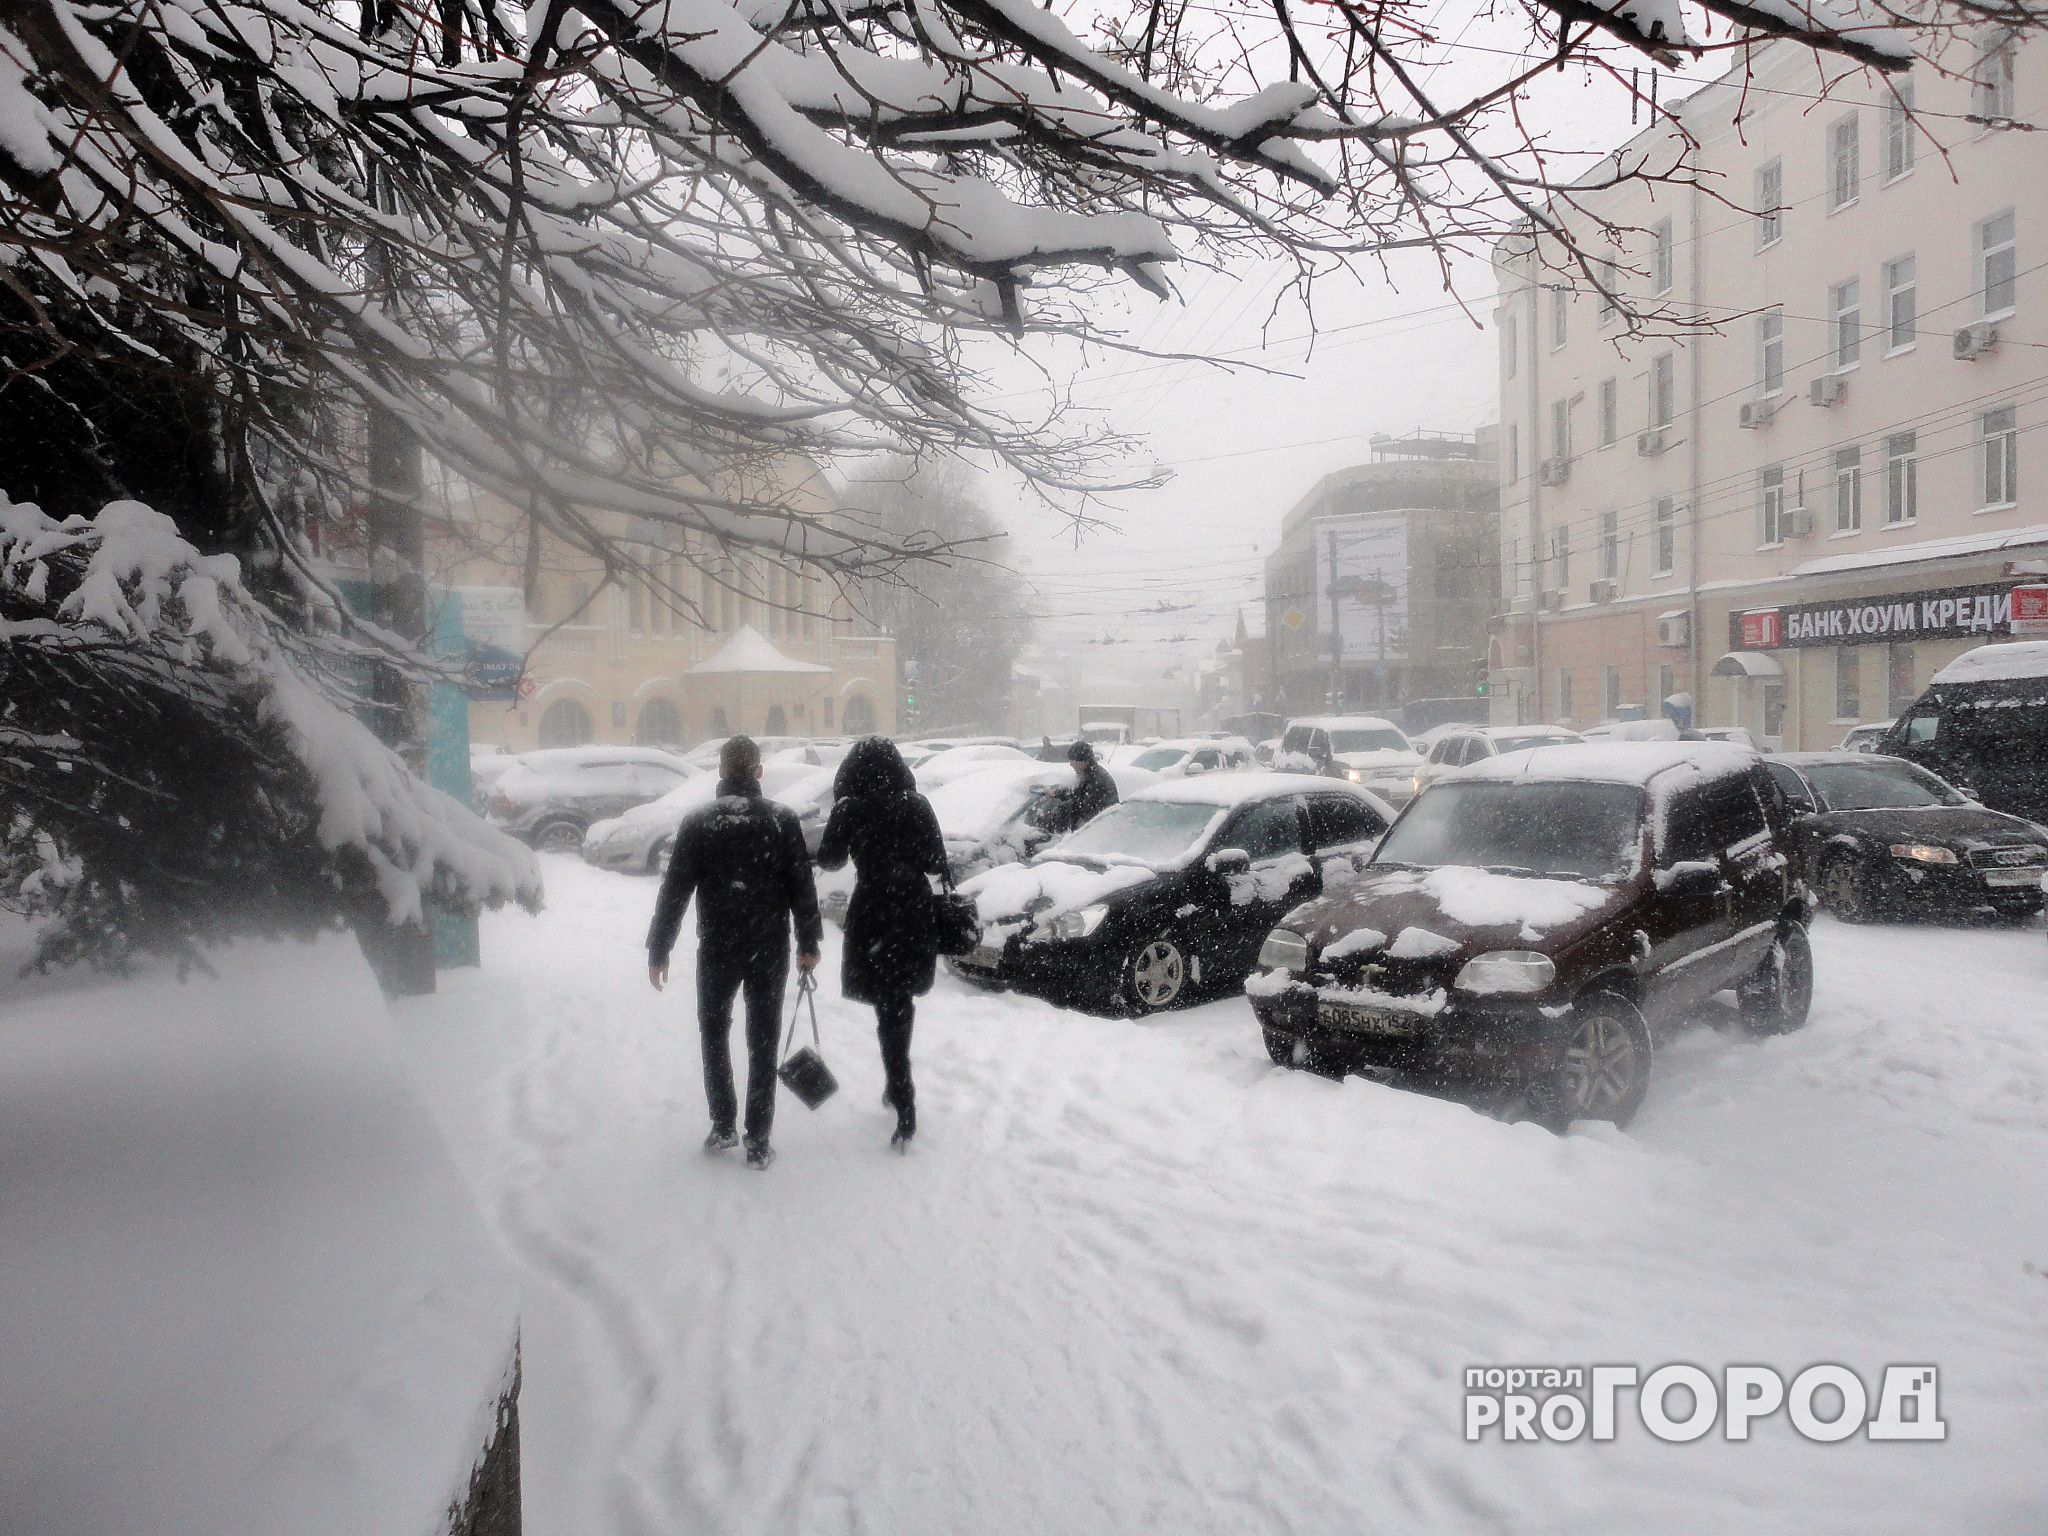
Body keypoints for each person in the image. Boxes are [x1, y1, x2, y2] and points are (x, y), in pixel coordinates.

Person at [647, 735, 821, 1171]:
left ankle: (723, 1122)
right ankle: (758, 1138)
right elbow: (802, 886)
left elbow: (675, 891)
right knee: (762, 1040)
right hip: (769, 947)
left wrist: (660, 948)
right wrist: (808, 943)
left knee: (713, 1032)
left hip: (718, 948)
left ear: (722, 772)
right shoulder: (781, 820)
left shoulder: (700, 823)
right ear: (758, 771)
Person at [816, 737, 947, 1152]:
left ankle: (901, 1092)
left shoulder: (850, 808)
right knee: (898, 998)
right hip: (912, 908)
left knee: (887, 999)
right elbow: (936, 863)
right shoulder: (917, 804)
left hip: (873, 908)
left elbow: (830, 860)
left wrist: (852, 831)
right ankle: (899, 1088)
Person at [1037, 738, 1120, 836]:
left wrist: (1060, 810)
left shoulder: (1096, 779)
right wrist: (1056, 793)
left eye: (1073, 761)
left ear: (1083, 761)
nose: (1070, 764)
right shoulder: (1087, 774)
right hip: (1093, 831)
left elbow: (1083, 808)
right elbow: (1075, 793)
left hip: (1098, 832)